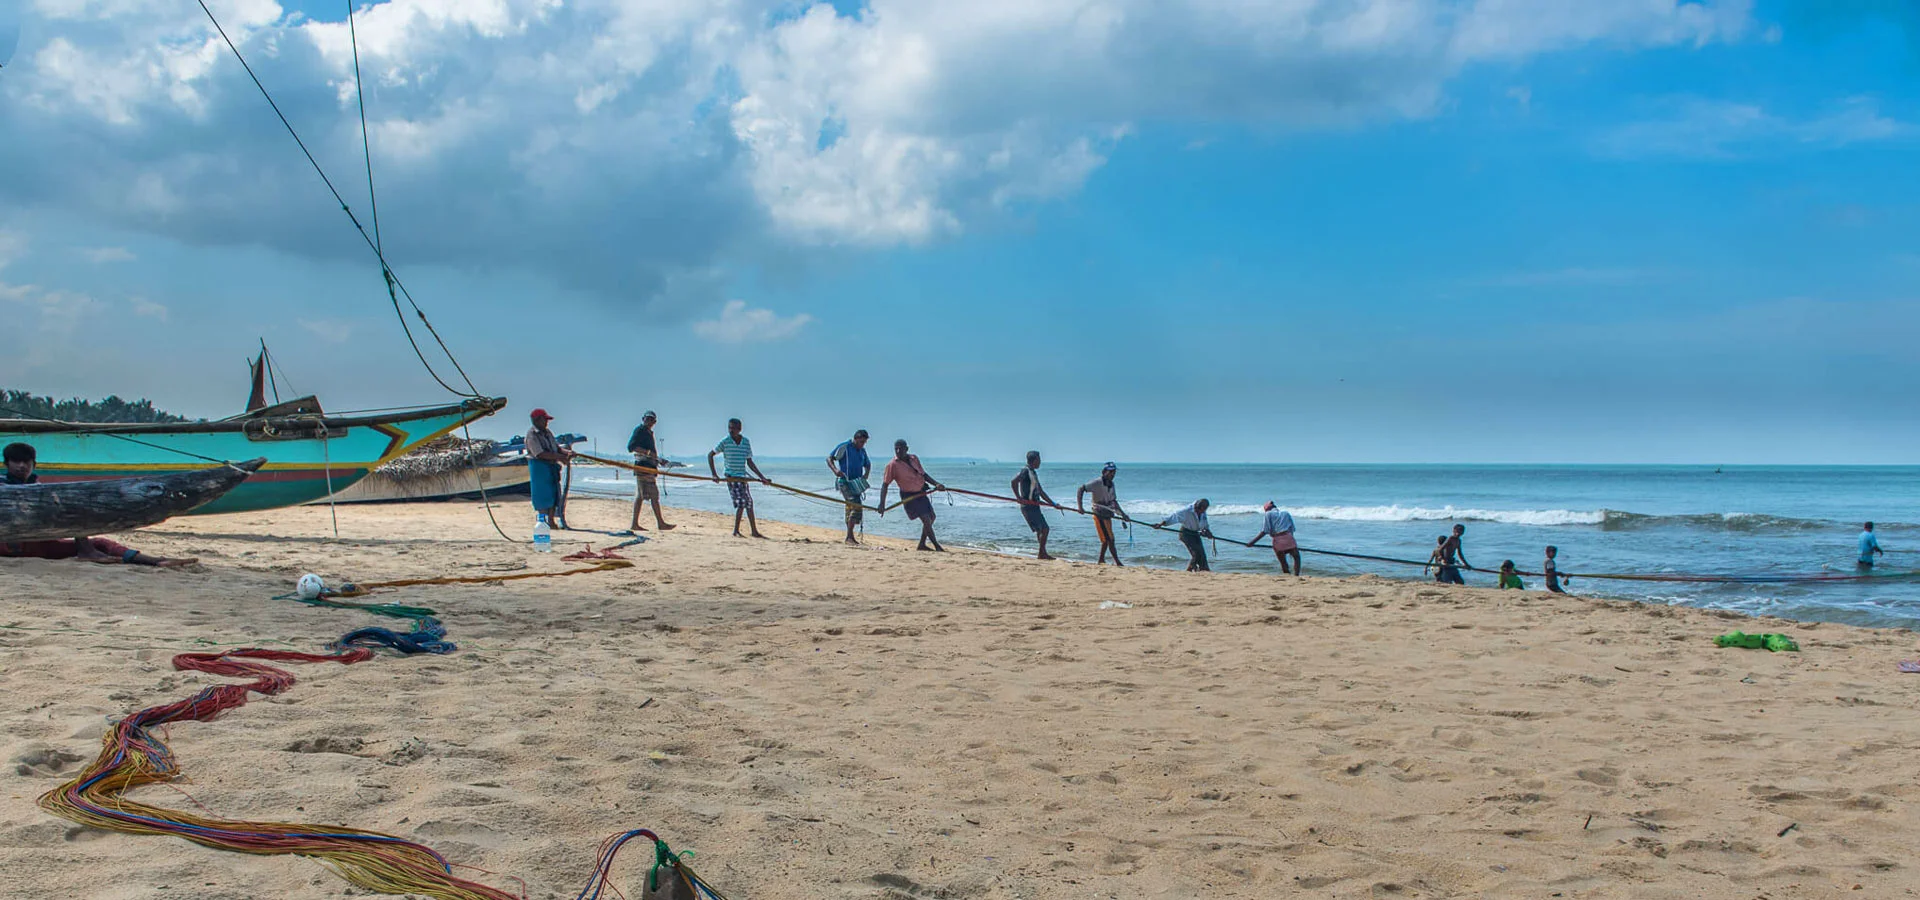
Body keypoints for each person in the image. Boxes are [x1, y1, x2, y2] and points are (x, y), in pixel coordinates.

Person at [1, 442, 195, 567]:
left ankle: (156, 561)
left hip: (39, 546)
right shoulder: (3, 486)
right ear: (6, 464)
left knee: (101, 543)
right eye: (16, 462)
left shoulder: (41, 488)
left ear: (34, 464)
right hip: (7, 545)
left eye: (26, 462)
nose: (21, 466)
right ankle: (86, 550)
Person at [877, 439, 946, 551]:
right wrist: (882, 504)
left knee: (932, 517)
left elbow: (924, 475)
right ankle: (937, 546)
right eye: (896, 449)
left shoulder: (914, 458)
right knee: (926, 519)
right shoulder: (892, 465)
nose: (898, 451)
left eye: (901, 448)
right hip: (908, 495)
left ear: (907, 449)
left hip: (920, 492)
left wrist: (937, 484)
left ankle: (922, 545)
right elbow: (885, 485)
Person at [707, 418, 770, 538]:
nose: (731, 430)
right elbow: (710, 455)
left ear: (739, 429)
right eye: (729, 427)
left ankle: (754, 531)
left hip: (742, 477)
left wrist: (762, 478)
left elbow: (750, 462)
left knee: (749, 503)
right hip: (731, 477)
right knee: (741, 503)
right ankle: (736, 531)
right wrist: (714, 474)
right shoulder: (725, 441)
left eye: (734, 428)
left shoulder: (745, 442)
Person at [626, 410, 674, 533]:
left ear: (654, 422)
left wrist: (658, 460)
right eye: (647, 419)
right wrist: (648, 453)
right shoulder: (640, 430)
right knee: (650, 496)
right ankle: (658, 523)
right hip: (642, 468)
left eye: (651, 419)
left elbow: (651, 453)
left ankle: (639, 523)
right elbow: (631, 447)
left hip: (649, 467)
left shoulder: (648, 433)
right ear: (643, 419)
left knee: (643, 497)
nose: (649, 421)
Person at [525, 409, 573, 529]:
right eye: (544, 420)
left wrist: (567, 452)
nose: (546, 422)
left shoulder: (548, 433)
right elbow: (540, 454)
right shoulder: (532, 435)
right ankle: (543, 522)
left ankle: (551, 521)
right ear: (536, 420)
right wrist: (561, 457)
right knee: (542, 495)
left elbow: (555, 448)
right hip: (539, 467)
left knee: (553, 494)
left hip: (551, 466)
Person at [1075, 462, 1126, 566]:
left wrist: (1123, 514)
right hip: (1098, 513)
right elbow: (1081, 489)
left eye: (1114, 472)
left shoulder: (1112, 485)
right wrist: (1080, 507)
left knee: (1107, 538)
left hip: (1108, 513)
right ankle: (1117, 562)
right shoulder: (1097, 482)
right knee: (1109, 539)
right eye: (1110, 472)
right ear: (1104, 472)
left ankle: (1101, 560)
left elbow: (1114, 501)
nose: (1112, 475)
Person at [827, 430, 873, 545]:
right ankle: (849, 537)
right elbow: (829, 458)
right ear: (856, 439)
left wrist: (866, 475)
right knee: (855, 505)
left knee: (851, 508)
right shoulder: (845, 447)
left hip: (856, 483)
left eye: (865, 442)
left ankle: (849, 536)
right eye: (861, 441)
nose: (862, 444)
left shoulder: (862, 451)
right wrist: (835, 470)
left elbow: (868, 464)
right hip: (844, 481)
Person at [1011, 451, 1058, 560]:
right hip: (1028, 506)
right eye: (1039, 460)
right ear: (1035, 460)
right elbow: (1013, 482)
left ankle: (1043, 553)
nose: (1040, 462)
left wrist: (1053, 504)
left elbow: (1040, 491)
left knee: (1041, 530)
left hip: (1035, 505)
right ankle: (1041, 554)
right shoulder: (1025, 471)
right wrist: (1018, 497)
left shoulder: (1033, 473)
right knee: (1045, 529)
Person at [1248, 501, 1301, 575]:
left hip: (1277, 539)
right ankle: (1296, 575)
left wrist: (1252, 542)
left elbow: (1264, 531)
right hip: (1288, 537)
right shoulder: (1286, 513)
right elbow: (1292, 529)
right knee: (1296, 557)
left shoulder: (1268, 514)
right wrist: (1293, 543)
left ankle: (1287, 574)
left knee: (1283, 561)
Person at [1160, 498, 1214, 572]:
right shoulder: (1186, 511)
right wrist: (1161, 524)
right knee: (1196, 553)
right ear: (1196, 506)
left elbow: (1204, 524)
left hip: (1195, 534)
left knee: (1202, 554)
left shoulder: (1203, 512)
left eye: (1203, 510)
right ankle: (1189, 570)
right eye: (1199, 510)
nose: (1201, 512)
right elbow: (1173, 517)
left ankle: (1203, 569)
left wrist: (1207, 532)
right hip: (1186, 533)